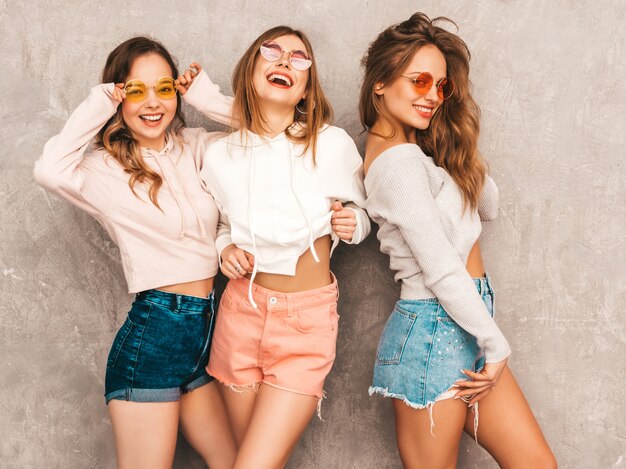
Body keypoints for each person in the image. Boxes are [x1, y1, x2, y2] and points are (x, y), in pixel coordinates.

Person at [360, 13, 556, 468]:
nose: (431, 95)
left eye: (441, 87)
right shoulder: (399, 165)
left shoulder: (419, 155)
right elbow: (442, 267)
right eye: (419, 80)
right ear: (380, 84)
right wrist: (495, 343)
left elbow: (488, 204)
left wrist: (451, 136)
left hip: (465, 322)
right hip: (432, 329)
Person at [33, 36, 237, 468]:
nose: (152, 102)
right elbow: (48, 170)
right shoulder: (102, 167)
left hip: (203, 337)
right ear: (119, 98)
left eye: (163, 88)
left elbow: (269, 130)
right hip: (154, 337)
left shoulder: (195, 147)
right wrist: (98, 102)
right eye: (135, 90)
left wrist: (205, 97)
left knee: (236, 462)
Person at [183, 25, 371, 468]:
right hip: (240, 318)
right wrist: (225, 248)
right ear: (251, 69)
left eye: (299, 58)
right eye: (272, 51)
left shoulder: (330, 145)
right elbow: (225, 225)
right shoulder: (220, 156)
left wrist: (355, 223)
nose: (286, 60)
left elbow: (364, 212)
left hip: (304, 323)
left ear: (306, 88)